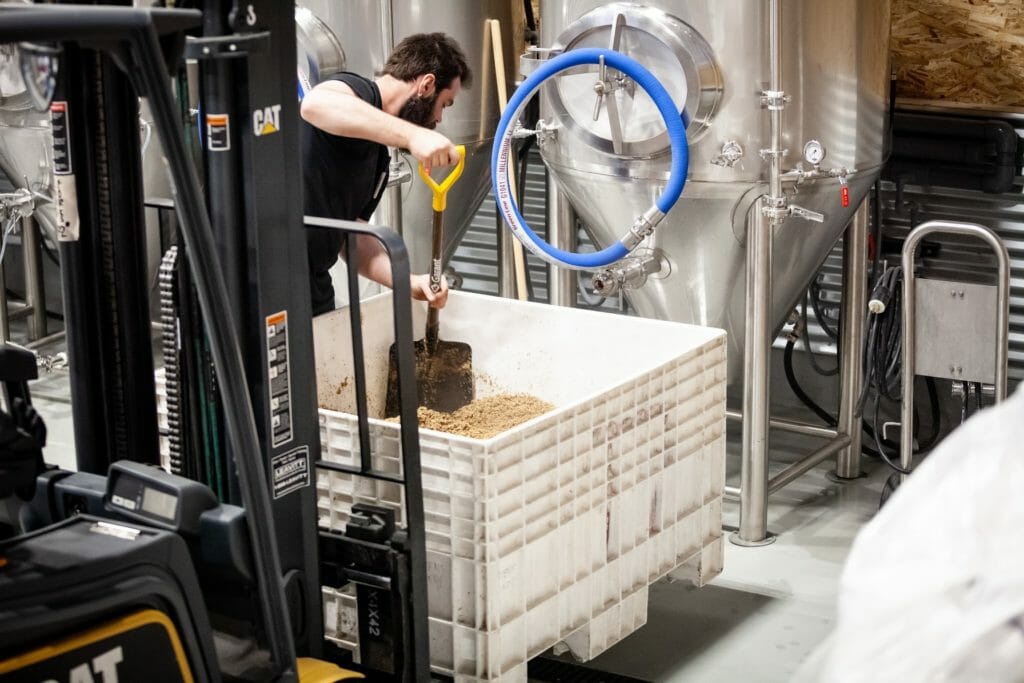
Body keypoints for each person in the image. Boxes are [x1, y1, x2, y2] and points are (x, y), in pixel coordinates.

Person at [299, 33, 472, 316]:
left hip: (312, 282)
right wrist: (413, 135)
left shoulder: (378, 158)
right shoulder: (356, 90)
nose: (439, 119)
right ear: (427, 85)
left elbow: (352, 238)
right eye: (445, 104)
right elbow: (314, 105)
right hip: (269, 276)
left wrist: (409, 282)